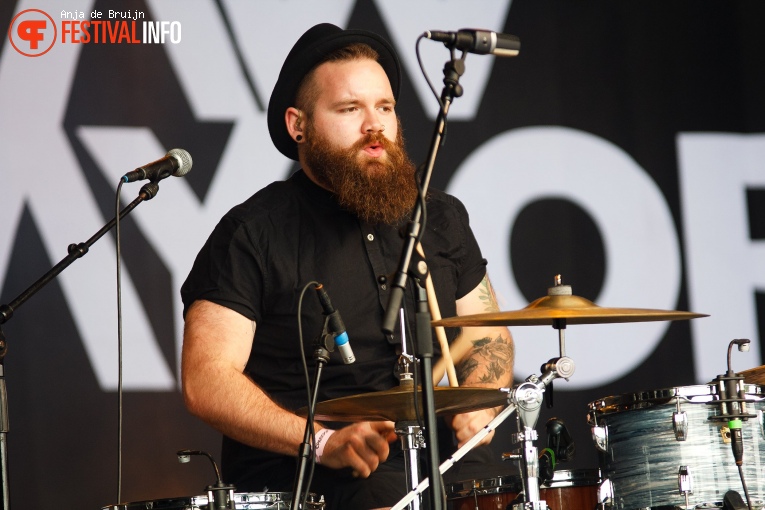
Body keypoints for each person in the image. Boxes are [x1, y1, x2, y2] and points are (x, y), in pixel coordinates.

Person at [180, 23, 514, 510]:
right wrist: (320, 441)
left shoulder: (437, 216)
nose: (374, 125)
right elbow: (206, 378)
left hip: (438, 458)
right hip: (309, 475)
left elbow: (488, 336)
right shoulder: (252, 232)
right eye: (349, 109)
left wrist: (481, 398)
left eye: (384, 107)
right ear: (299, 125)